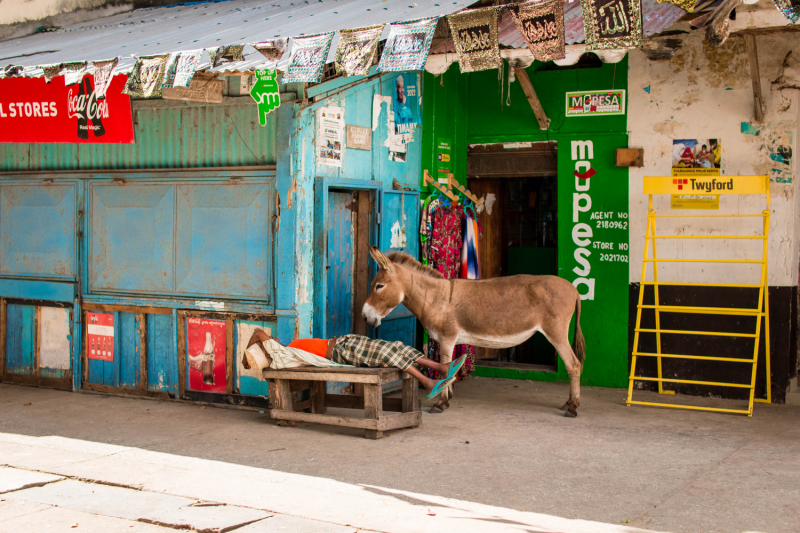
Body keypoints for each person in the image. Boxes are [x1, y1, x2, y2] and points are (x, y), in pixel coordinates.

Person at [245, 329, 463, 400]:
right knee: (387, 353)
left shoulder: (288, 346)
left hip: (345, 342)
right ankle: (427, 382)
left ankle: (440, 368)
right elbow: (257, 332)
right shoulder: (283, 354)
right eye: (269, 341)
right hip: (343, 352)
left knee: (395, 346)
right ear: (268, 348)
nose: (272, 338)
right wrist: (249, 355)